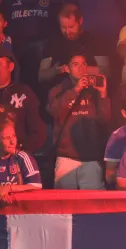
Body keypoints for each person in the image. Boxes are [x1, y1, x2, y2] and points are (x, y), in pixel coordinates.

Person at [47, 52, 111, 190]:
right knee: (64, 205)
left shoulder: (94, 90)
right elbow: (55, 112)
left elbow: (105, 119)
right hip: (66, 158)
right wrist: (75, 90)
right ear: (67, 69)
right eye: (75, 65)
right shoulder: (58, 90)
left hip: (91, 158)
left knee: (94, 205)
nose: (81, 68)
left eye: (84, 64)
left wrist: (103, 95)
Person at [0, 46, 46, 153]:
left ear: (10, 66)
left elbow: (38, 132)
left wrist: (22, 153)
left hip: (17, 159)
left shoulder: (24, 93)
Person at [39, 3, 109, 88]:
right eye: (63, 27)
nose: (67, 32)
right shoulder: (52, 43)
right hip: (62, 93)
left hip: (89, 92)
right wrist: (56, 71)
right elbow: (41, 75)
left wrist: (82, 69)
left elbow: (106, 70)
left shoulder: (94, 40)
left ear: (80, 21)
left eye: (71, 27)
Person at [0, 121, 42, 203]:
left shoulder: (23, 157)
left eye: (14, 136)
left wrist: (9, 188)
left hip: (18, 210)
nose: (12, 142)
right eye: (7, 138)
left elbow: (36, 185)